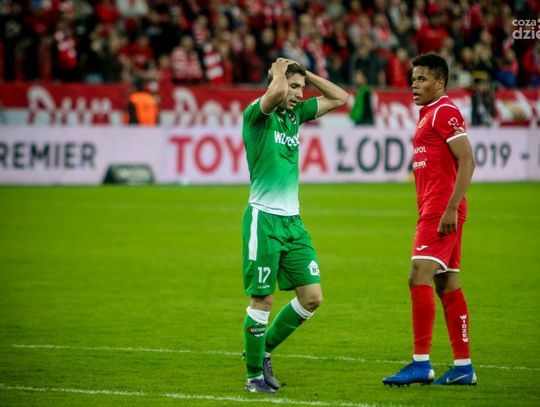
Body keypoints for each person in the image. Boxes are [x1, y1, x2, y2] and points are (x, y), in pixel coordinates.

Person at [241, 57, 348, 394]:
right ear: (277, 83)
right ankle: (253, 377)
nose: (300, 94)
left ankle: (262, 350)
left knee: (312, 297)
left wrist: (306, 74)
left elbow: (340, 97)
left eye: (302, 88)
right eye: (294, 87)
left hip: (293, 223)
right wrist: (278, 72)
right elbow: (273, 95)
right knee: (262, 299)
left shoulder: (295, 115)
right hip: (264, 220)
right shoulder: (257, 115)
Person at [382, 53, 477, 386]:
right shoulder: (428, 114)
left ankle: (420, 363)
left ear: (440, 82)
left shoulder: (444, 111)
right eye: (413, 79)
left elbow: (468, 160)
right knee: (446, 282)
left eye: (422, 79)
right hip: (435, 208)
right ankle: (463, 367)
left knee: (418, 274)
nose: (414, 85)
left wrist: (451, 207)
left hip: (441, 210)